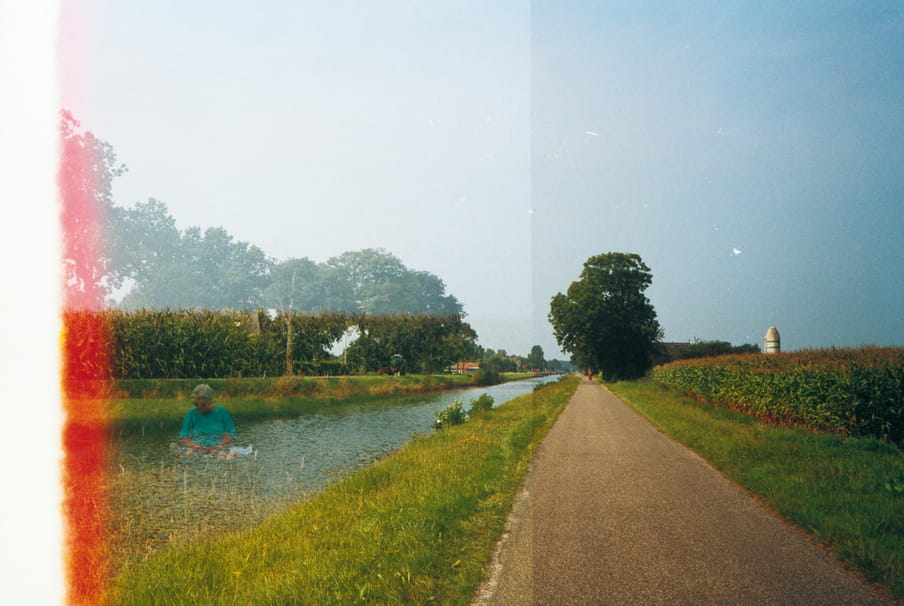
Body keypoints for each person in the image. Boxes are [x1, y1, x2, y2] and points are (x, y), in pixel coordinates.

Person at [179, 384, 236, 455]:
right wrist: (195, 446)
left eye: (203, 405)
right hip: (197, 447)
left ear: (210, 401)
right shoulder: (191, 413)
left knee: (223, 455)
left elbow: (230, 435)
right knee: (188, 454)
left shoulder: (223, 412)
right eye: (196, 404)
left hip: (219, 447)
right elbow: (184, 436)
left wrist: (218, 447)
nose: (199, 407)